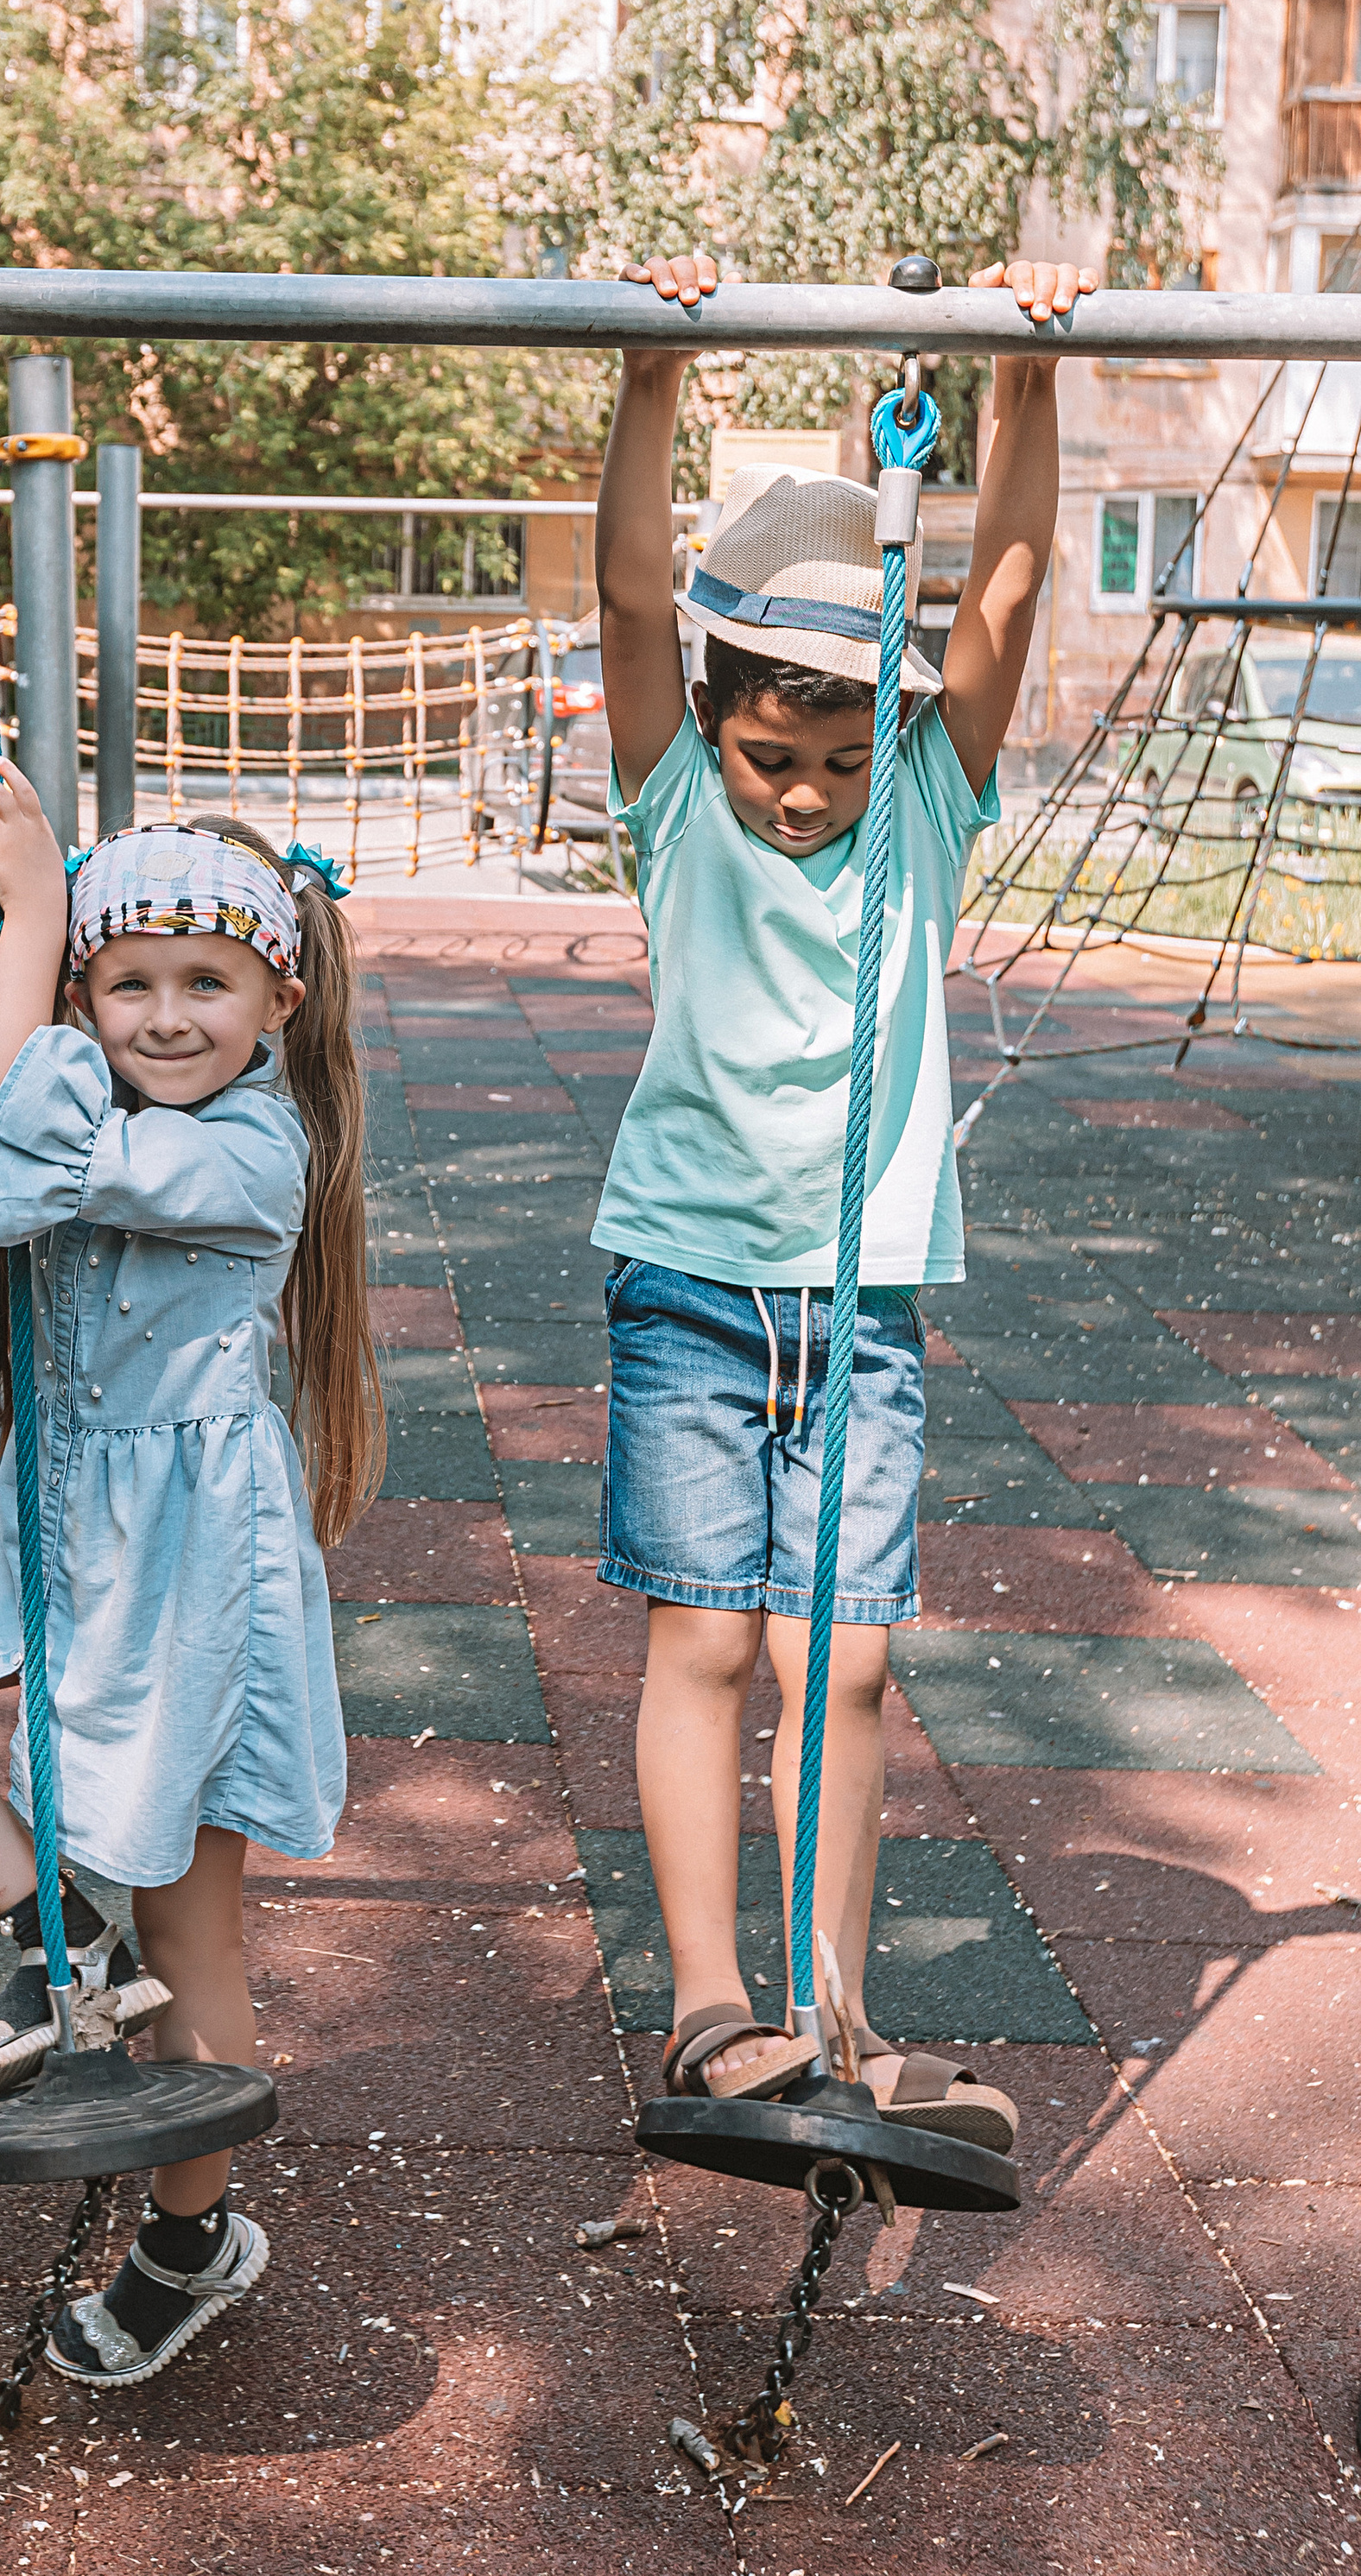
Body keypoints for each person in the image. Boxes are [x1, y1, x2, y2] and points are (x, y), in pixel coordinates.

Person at [0, 775, 382, 2388]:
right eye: (131, 983)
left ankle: (194, 2238)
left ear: (280, 1000)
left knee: (200, 1939)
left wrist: (49, 924)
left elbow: (31, 1137)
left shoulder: (262, 1148)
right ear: (79, 1000)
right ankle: (60, 1949)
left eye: (209, 984)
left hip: (188, 1571)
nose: (168, 1017)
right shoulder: (62, 1073)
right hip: (46, 1523)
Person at [592, 250, 1095, 2151]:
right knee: (703, 1638)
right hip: (690, 1285)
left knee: (851, 1654)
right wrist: (651, 368)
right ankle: (711, 2005)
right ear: (711, 727)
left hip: (858, 1295)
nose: (797, 796)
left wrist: (1019, 376)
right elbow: (633, 591)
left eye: (828, 761)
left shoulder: (922, 802)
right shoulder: (665, 798)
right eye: (766, 759)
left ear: (884, 738)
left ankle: (835, 2004)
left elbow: (1016, 587)